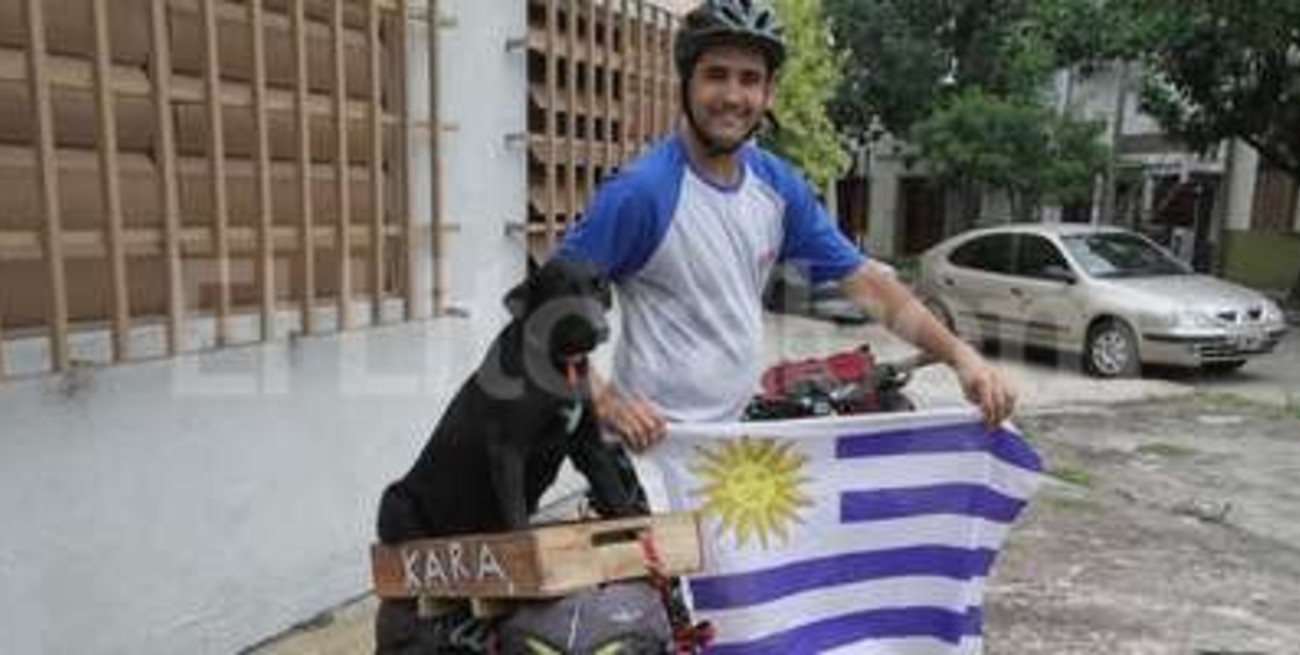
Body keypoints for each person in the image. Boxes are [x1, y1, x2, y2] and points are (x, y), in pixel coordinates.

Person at [555, 0, 1015, 452]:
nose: (733, 96)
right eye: (716, 75)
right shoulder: (641, 193)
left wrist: (962, 358)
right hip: (653, 449)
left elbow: (868, 284)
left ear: (768, 93)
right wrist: (607, 403)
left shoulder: (777, 187)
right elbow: (542, 316)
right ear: (687, 82)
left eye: (749, 79)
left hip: (729, 442)